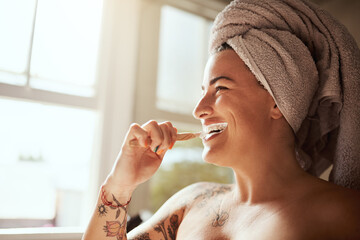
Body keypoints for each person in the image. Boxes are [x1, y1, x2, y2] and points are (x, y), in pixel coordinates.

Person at [83, 0, 360, 239]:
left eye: (221, 88)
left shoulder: (344, 213)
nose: (199, 109)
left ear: (278, 100)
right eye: (203, 92)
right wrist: (120, 185)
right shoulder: (190, 202)